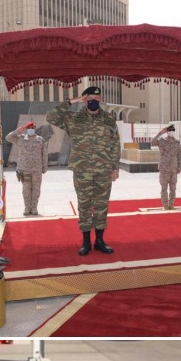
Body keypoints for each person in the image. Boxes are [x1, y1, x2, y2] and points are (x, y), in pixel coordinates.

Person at [46, 86, 121, 255]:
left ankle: (100, 241)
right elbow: (51, 116)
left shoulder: (109, 118)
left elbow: (115, 144)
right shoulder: (73, 118)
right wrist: (72, 101)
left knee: (101, 205)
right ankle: (86, 242)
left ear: (101, 100)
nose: (93, 101)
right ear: (84, 100)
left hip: (104, 169)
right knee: (84, 205)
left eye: (96, 98)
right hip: (82, 170)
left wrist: (115, 167)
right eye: (90, 98)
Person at [6, 120, 49, 215]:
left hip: (36, 169)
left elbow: (44, 154)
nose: (31, 129)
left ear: (35, 128)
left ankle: (34, 208)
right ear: (26, 129)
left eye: (32, 128)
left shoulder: (40, 140)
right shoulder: (21, 139)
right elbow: (8, 138)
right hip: (24, 169)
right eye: (29, 128)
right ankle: (27, 208)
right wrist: (19, 130)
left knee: (36, 190)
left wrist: (44, 167)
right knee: (26, 190)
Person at [151, 124, 181, 209]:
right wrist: (160, 133)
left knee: (173, 188)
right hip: (164, 168)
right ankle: (165, 205)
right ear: (167, 131)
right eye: (170, 130)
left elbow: (179, 156)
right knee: (164, 188)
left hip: (174, 168)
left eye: (173, 130)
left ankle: (171, 204)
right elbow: (152, 142)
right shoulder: (162, 141)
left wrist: (179, 167)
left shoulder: (177, 142)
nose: (172, 131)